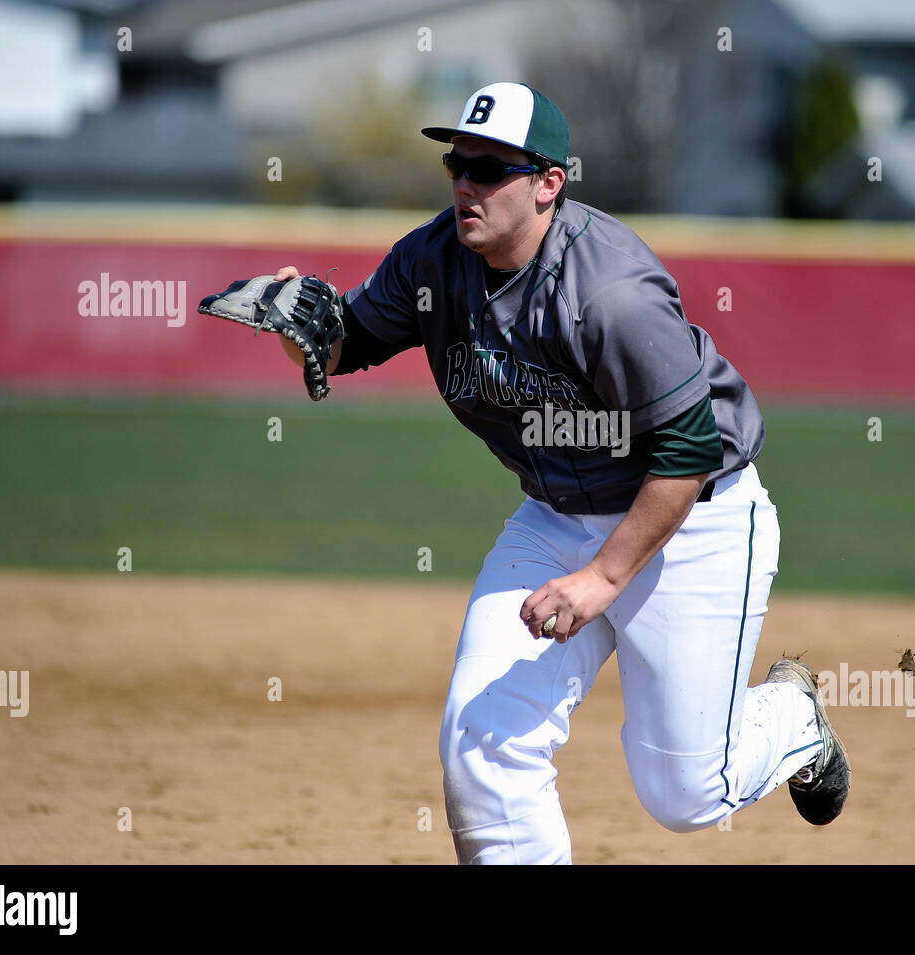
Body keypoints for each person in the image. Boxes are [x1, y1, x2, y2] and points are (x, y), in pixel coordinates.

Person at [275, 82, 849, 864]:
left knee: (686, 794)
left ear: (550, 183)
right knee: (482, 745)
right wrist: (300, 328)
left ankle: (792, 717)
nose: (465, 183)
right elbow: (350, 341)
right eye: (457, 163)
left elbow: (687, 450)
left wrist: (604, 578)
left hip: (693, 519)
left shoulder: (609, 292)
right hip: (555, 517)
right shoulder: (433, 260)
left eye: (490, 168)